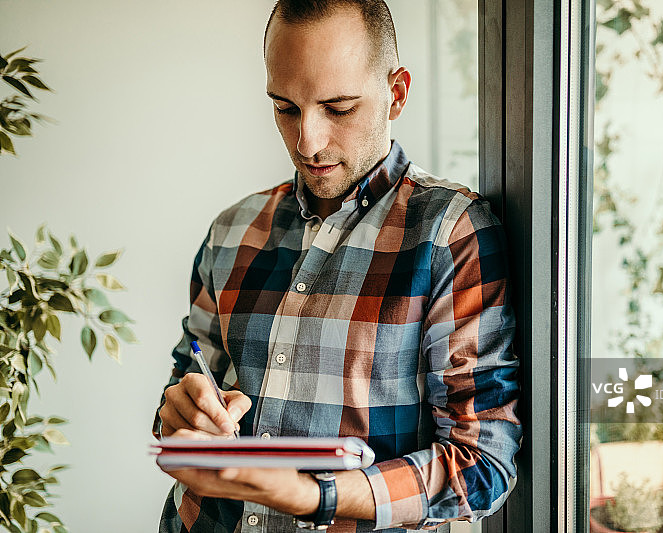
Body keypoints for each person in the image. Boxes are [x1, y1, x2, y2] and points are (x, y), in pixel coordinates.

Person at [154, 1, 521, 531]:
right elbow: (184, 383)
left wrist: (312, 496)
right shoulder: (232, 231)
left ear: (396, 93)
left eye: (339, 108)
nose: (308, 142)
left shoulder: (451, 235)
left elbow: (482, 467)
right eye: (284, 108)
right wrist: (180, 415)